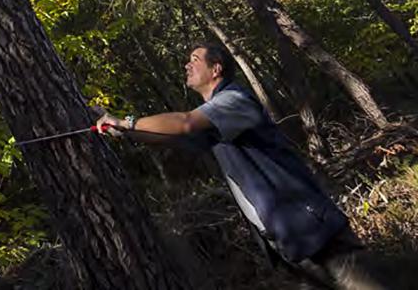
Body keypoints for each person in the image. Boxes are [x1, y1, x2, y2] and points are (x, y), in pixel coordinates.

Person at [95, 43, 388, 289]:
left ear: (216, 69)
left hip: (313, 229)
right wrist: (122, 129)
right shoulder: (213, 125)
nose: (186, 65)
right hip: (288, 241)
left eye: (194, 60)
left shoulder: (234, 100)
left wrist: (127, 122)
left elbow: (184, 123)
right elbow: (170, 135)